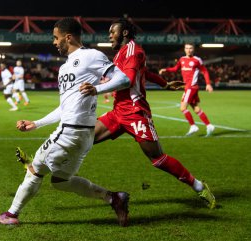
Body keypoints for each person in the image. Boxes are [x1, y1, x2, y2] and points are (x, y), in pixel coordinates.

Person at [0, 17, 131, 227]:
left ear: (68, 37)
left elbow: (124, 79)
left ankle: (11, 215)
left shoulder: (91, 56)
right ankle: (114, 198)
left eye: (56, 38)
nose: (54, 42)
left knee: (34, 169)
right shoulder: (64, 68)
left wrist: (96, 89)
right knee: (61, 182)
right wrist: (37, 123)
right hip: (82, 134)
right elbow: (64, 107)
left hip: (72, 132)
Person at [78, 18, 216, 209]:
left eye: (113, 32)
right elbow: (146, 73)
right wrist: (164, 83)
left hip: (136, 114)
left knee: (158, 159)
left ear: (124, 33)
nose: (109, 35)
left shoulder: (135, 51)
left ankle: (199, 186)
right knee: (83, 138)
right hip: (119, 112)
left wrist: (96, 89)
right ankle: (39, 167)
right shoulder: (121, 54)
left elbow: (128, 80)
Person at [159, 43, 215, 136]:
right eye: (187, 48)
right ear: (184, 49)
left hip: (191, 87)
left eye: (191, 48)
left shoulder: (197, 60)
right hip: (187, 87)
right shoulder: (182, 59)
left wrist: (208, 84)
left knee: (183, 107)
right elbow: (175, 68)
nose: (188, 50)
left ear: (193, 49)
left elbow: (204, 71)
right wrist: (166, 69)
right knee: (196, 109)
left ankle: (193, 126)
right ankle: (209, 126)